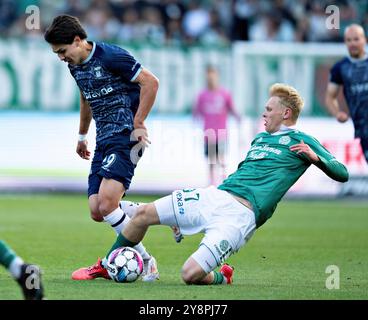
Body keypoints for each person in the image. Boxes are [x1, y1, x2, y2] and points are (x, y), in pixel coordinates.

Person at [88, 83, 349, 285]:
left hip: (240, 218)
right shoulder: (259, 139)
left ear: (286, 113)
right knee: (143, 216)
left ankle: (223, 276)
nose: (263, 113)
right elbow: (244, 172)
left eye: (269, 109)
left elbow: (342, 172)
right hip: (216, 196)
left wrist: (316, 159)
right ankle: (110, 266)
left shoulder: (302, 140)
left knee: (189, 274)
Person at [44, 14, 160, 281]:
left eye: (62, 51)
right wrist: (82, 134)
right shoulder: (74, 66)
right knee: (97, 210)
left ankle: (146, 259)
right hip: (103, 139)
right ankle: (163, 212)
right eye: (56, 54)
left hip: (127, 137)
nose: (61, 57)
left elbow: (150, 82)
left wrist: (139, 121)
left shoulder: (111, 56)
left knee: (108, 205)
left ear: (78, 41)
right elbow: (86, 97)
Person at [325, 23, 368, 163]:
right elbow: (330, 97)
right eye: (349, 40)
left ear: (364, 40)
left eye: (356, 39)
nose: (353, 43)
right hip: (363, 129)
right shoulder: (340, 68)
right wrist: (337, 113)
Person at [193, 65, 241, 186]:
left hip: (221, 133)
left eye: (213, 76)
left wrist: (238, 117)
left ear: (217, 77)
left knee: (221, 158)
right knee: (211, 160)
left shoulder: (224, 94)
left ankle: (224, 181)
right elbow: (196, 112)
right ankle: (211, 183)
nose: (211, 79)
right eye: (208, 76)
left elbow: (232, 108)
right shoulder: (202, 95)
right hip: (208, 134)